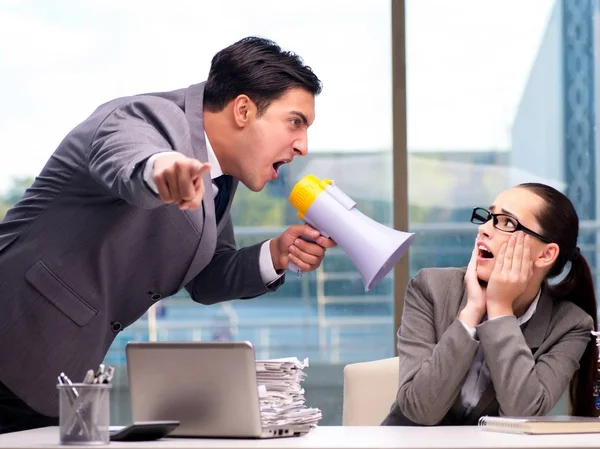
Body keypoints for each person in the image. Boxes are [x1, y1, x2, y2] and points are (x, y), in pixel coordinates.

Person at [0, 36, 336, 433]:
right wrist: (163, 167)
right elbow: (127, 155)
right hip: (13, 341)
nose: (303, 145)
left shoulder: (220, 179)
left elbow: (207, 277)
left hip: (58, 372)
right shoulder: (146, 118)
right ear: (244, 109)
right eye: (295, 122)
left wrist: (275, 254)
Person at [382, 183, 598, 426]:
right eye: (489, 216)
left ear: (546, 254)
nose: (484, 229)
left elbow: (523, 414)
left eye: (507, 223)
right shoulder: (429, 287)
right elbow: (419, 409)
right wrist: (471, 312)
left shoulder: (571, 325)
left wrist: (500, 310)